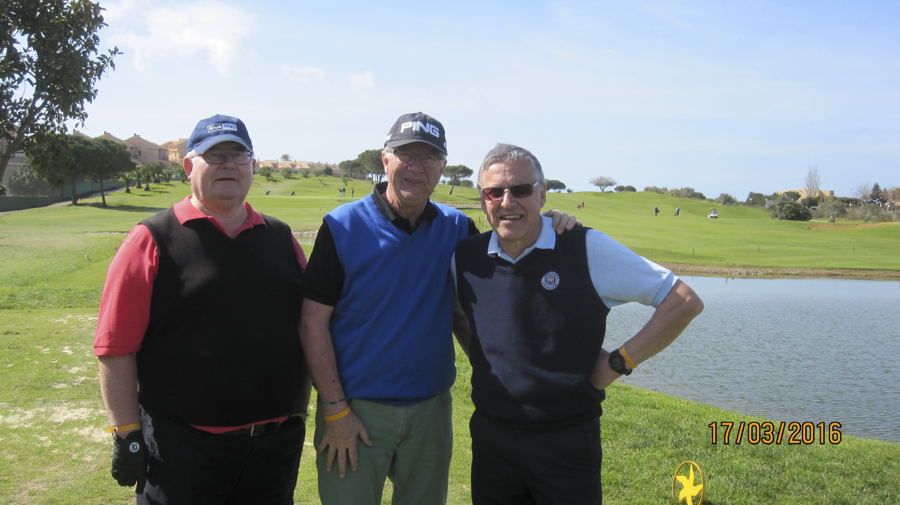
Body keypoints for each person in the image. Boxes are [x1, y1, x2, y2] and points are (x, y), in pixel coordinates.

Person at [300, 113, 575, 505]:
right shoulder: (342, 227)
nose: (417, 167)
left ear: (442, 168)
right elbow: (313, 322)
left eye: (429, 157)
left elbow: (502, 275)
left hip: (431, 411)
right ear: (385, 160)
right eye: (407, 155)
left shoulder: (457, 229)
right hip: (356, 411)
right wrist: (335, 411)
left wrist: (549, 225)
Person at [453, 144, 704, 505]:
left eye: (520, 189)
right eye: (494, 192)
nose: (507, 201)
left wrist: (619, 362)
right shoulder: (466, 257)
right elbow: (460, 316)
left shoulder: (584, 247)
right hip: (492, 440)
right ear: (483, 200)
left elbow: (682, 301)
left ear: (542, 194)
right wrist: (485, 360)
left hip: (565, 442)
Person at [94, 114, 310, 505]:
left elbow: (311, 328)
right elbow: (115, 347)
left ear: (252, 165)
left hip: (274, 449)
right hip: (181, 451)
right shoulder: (152, 239)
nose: (228, 164)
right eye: (215, 155)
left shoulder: (280, 238)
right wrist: (126, 433)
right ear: (188, 166)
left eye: (238, 155)